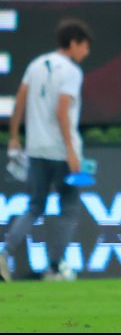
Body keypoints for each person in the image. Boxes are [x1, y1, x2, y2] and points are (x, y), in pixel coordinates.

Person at [0, 20, 92, 283]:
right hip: (61, 151)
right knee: (69, 207)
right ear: (74, 43)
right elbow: (62, 110)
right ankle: (54, 267)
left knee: (34, 206)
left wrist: (15, 135)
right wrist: (71, 151)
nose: (85, 53)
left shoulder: (36, 64)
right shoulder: (72, 72)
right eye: (84, 47)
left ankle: (5, 253)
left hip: (37, 148)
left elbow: (20, 99)